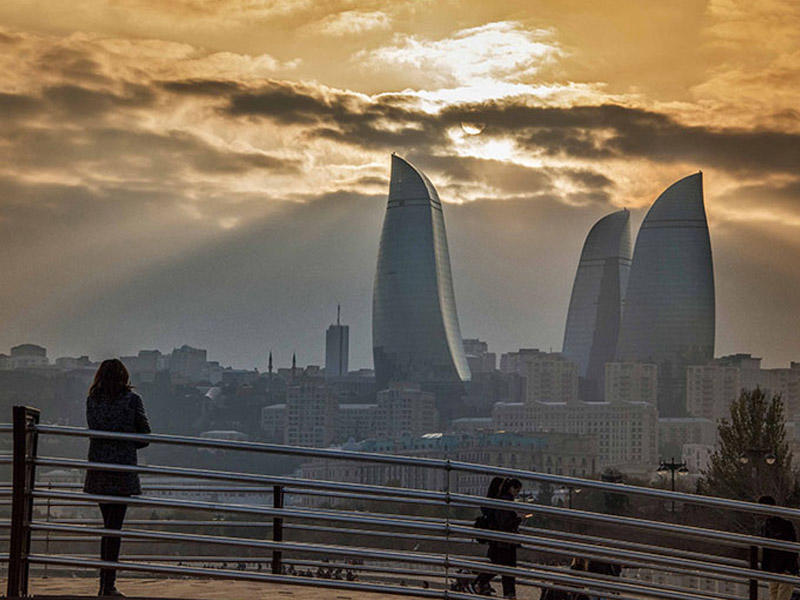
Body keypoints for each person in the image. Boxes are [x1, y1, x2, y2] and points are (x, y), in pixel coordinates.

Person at [83, 359, 151, 597]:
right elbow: (145, 436)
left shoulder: (93, 400)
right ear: (125, 376)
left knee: (107, 526)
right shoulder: (133, 401)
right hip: (122, 471)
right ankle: (108, 585)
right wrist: (126, 439)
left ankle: (104, 583)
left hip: (100, 470)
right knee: (115, 528)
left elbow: (94, 431)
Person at [472, 478, 523, 598]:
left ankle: (507, 593)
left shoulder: (496, 501)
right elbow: (505, 523)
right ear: (511, 488)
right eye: (517, 490)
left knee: (501, 567)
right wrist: (519, 518)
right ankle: (482, 583)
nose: (517, 493)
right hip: (504, 542)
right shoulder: (505, 501)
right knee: (505, 569)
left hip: (499, 541)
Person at [759, 495, 799, 600]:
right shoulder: (766, 526)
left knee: (781, 595)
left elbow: (791, 547)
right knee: (775, 595)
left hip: (784, 567)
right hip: (775, 567)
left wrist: (790, 567)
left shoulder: (783, 525)